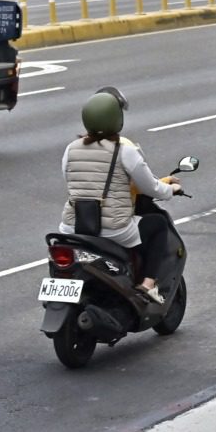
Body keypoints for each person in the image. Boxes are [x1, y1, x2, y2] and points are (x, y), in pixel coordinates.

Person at [58, 88, 182, 303]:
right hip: (114, 230)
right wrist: (169, 190)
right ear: (118, 120)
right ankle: (148, 284)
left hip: (73, 225)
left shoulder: (71, 148)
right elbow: (150, 187)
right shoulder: (125, 151)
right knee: (158, 224)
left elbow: (69, 178)